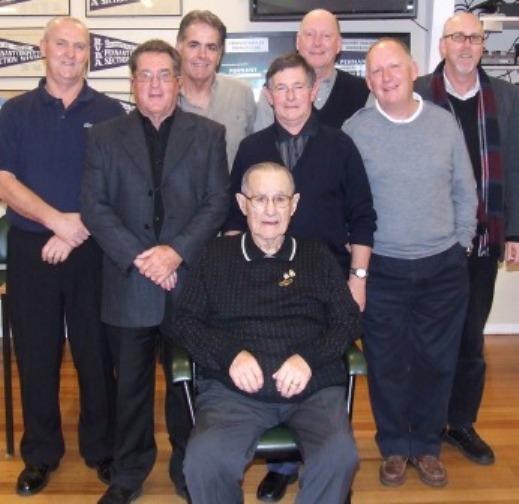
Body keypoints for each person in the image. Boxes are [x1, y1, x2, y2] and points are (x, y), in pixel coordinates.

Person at [80, 39, 230, 504]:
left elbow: (216, 202)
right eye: (145, 75)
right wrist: (146, 258)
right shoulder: (103, 137)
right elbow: (95, 207)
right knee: (131, 391)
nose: (155, 84)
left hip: (188, 286)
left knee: (187, 388)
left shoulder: (208, 134)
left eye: (164, 74)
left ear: (179, 81)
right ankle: (128, 475)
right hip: (129, 283)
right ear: (132, 84)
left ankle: (188, 469)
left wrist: (175, 253)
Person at [222, 51, 375, 502]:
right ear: (268, 97)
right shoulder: (252, 148)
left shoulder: (340, 145)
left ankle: (327, 466)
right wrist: (235, 279)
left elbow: (362, 217)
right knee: (271, 368)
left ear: (314, 91)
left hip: (325, 285)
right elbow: (236, 216)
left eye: (298, 87)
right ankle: (283, 464)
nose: (289, 96)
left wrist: (358, 278)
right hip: (262, 285)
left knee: (318, 371)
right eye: (280, 88)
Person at [173, 161, 361, 504]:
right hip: (233, 394)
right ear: (244, 205)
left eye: (280, 199)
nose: (271, 210)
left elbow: (349, 321)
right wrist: (229, 354)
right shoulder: (215, 256)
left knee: (339, 457)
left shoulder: (317, 257)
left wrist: (308, 359)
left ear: (295, 204)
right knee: (204, 461)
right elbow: (183, 320)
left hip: (312, 390)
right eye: (260, 199)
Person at [343, 38, 478, 488]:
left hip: (442, 268)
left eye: (393, 67)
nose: (386, 77)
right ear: (368, 81)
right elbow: (347, 201)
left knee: (437, 361)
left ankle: (427, 447)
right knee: (386, 363)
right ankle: (396, 447)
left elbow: (465, 189)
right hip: (382, 270)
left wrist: (459, 244)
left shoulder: (443, 123)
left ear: (413, 69)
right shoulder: (356, 129)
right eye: (376, 71)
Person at [0, 16, 125, 497]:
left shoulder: (112, 111)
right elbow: (5, 180)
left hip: (94, 247)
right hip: (34, 248)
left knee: (96, 353)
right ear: (43, 49)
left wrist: (77, 229)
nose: (71, 54)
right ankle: (41, 454)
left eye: (80, 46)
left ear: (89, 54)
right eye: (62, 45)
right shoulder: (15, 111)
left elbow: (118, 186)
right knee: (36, 355)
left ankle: (102, 449)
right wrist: (57, 221)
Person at [414, 12, 519, 466]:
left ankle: (460, 422)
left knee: (470, 339)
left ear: (482, 46)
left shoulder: (506, 96)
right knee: (427, 337)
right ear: (442, 45)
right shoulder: (418, 93)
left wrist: (513, 229)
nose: (467, 45)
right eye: (458, 36)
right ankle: (425, 423)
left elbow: (514, 164)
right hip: (429, 241)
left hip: (483, 238)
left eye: (475, 38)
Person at [254, 8, 369, 132]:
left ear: (338, 44)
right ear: (298, 42)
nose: (317, 43)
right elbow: (263, 147)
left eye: (326, 35)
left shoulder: (363, 91)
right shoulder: (273, 91)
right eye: (309, 35)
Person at [176, 9, 256, 168]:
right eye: (194, 45)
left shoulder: (241, 93)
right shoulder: (165, 98)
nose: (202, 55)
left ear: (219, 55)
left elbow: (255, 151)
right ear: (179, 48)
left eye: (211, 47)